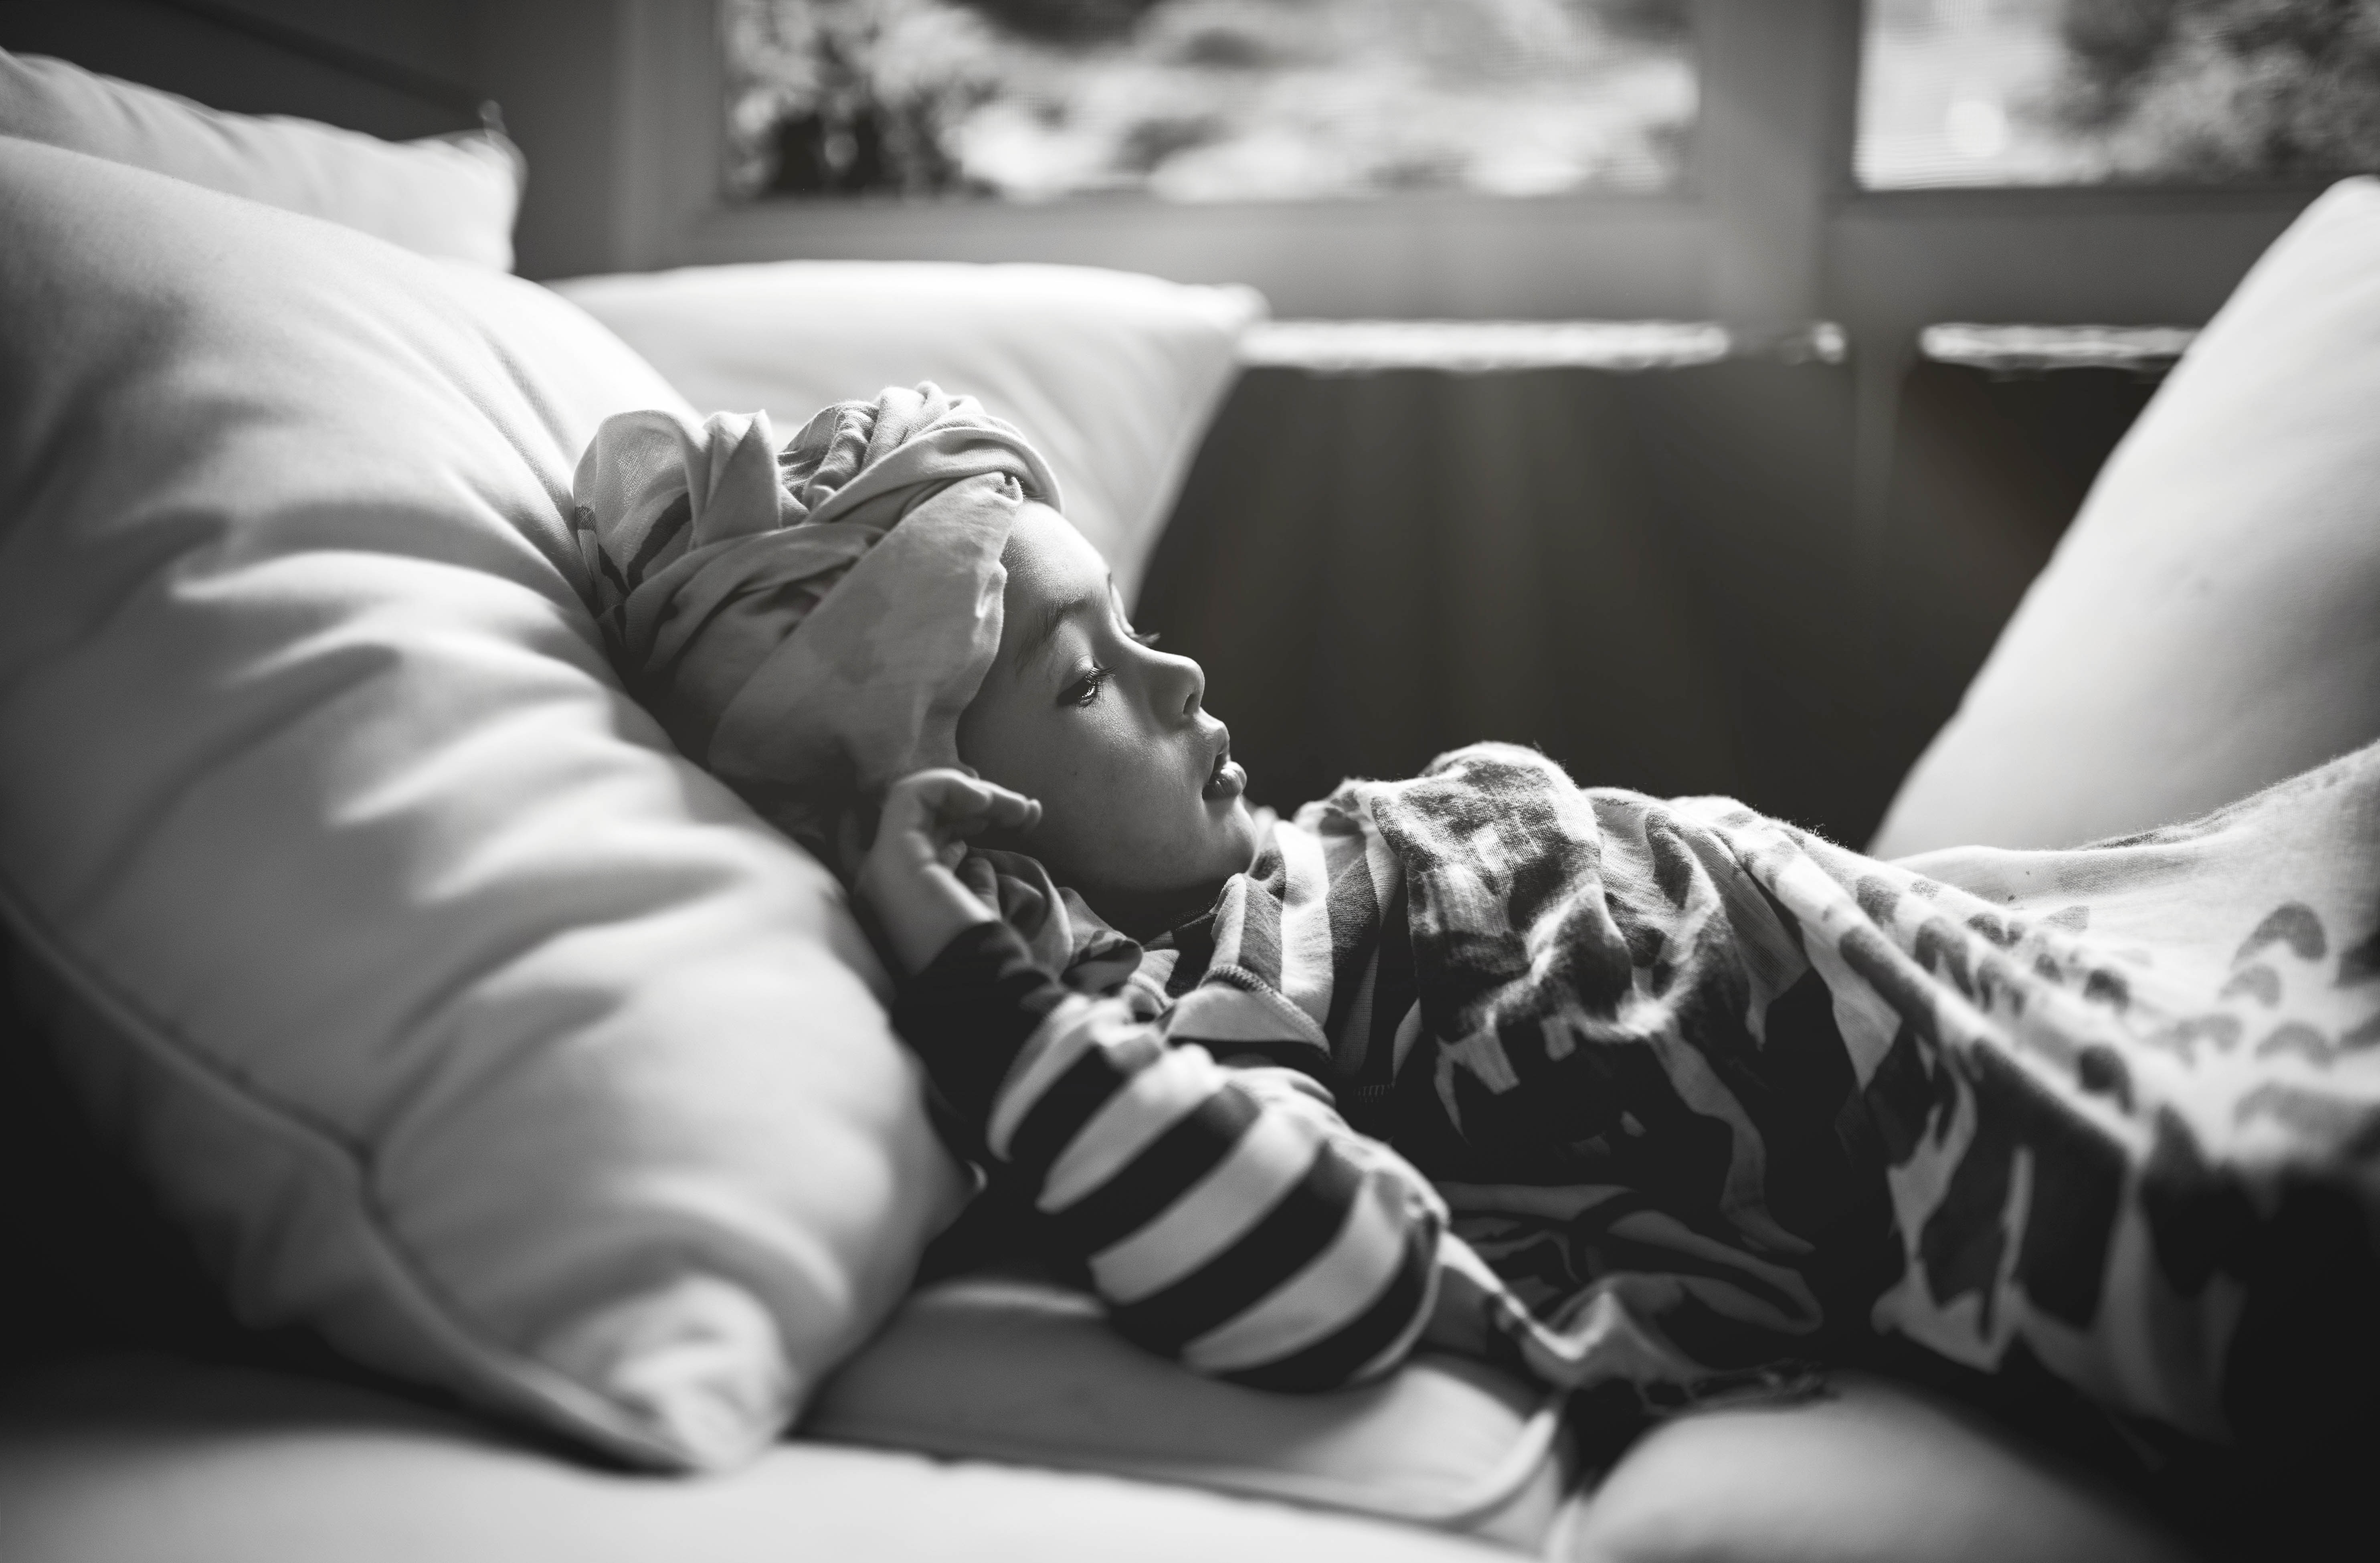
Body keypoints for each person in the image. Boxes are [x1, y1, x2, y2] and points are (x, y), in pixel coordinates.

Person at [574, 384, 2380, 1465]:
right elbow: (1326, 1271)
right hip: (1900, 1095)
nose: (1178, 673)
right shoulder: (1186, 1016)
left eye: (1135, 623)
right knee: (2265, 1212)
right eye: (1085, 679)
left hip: (1940, 936)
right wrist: (983, 990)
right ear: (980, 830)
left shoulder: (1280, 873)